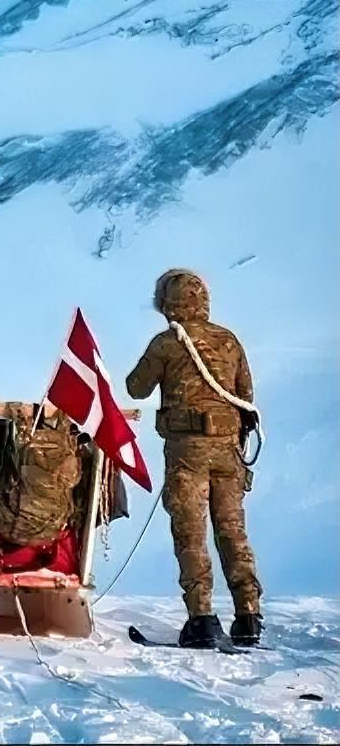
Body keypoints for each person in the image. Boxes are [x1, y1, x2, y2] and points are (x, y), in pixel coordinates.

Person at [126, 268, 263, 648]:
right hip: (229, 451)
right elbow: (245, 394)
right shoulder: (230, 341)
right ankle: (248, 615)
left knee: (191, 534)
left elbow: (135, 388)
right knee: (233, 532)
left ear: (168, 303)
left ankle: (202, 619)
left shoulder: (168, 344)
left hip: (189, 453)